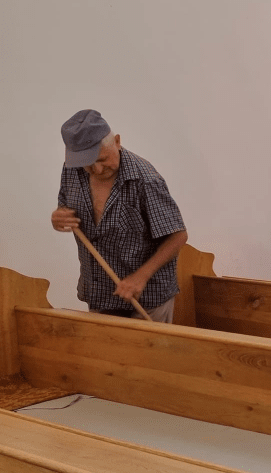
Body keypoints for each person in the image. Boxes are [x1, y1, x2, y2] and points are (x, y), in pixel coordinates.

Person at [51, 109, 188, 323]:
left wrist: (140, 277)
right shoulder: (73, 170)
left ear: (117, 141)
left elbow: (178, 236)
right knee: (103, 346)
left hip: (147, 296)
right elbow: (64, 206)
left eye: (102, 159)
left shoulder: (146, 180)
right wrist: (58, 217)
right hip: (100, 292)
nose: (97, 169)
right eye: (88, 163)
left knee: (145, 347)